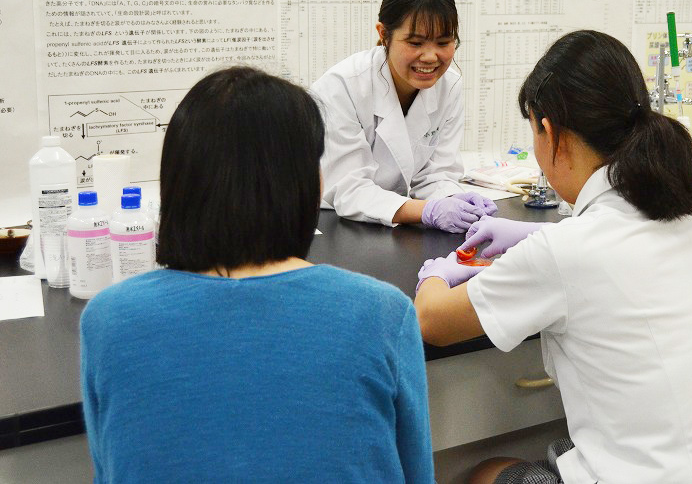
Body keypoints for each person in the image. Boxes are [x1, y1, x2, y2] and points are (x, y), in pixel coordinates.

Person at [414, 30, 692, 484]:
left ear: (549, 132)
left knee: (486, 472)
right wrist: (538, 235)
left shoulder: (566, 254)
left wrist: (438, 273)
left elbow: (432, 322)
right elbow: (630, 238)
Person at [80, 67, 433, 483]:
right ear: (307, 183)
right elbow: (416, 474)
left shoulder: (109, 320)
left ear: (177, 184)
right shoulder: (381, 314)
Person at [311, 0, 495, 231]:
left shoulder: (449, 85)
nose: (430, 57)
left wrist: (456, 201)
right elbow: (350, 191)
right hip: (335, 225)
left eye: (443, 42)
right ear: (384, 34)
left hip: (399, 221)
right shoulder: (342, 87)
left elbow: (436, 174)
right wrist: (429, 211)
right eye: (415, 42)